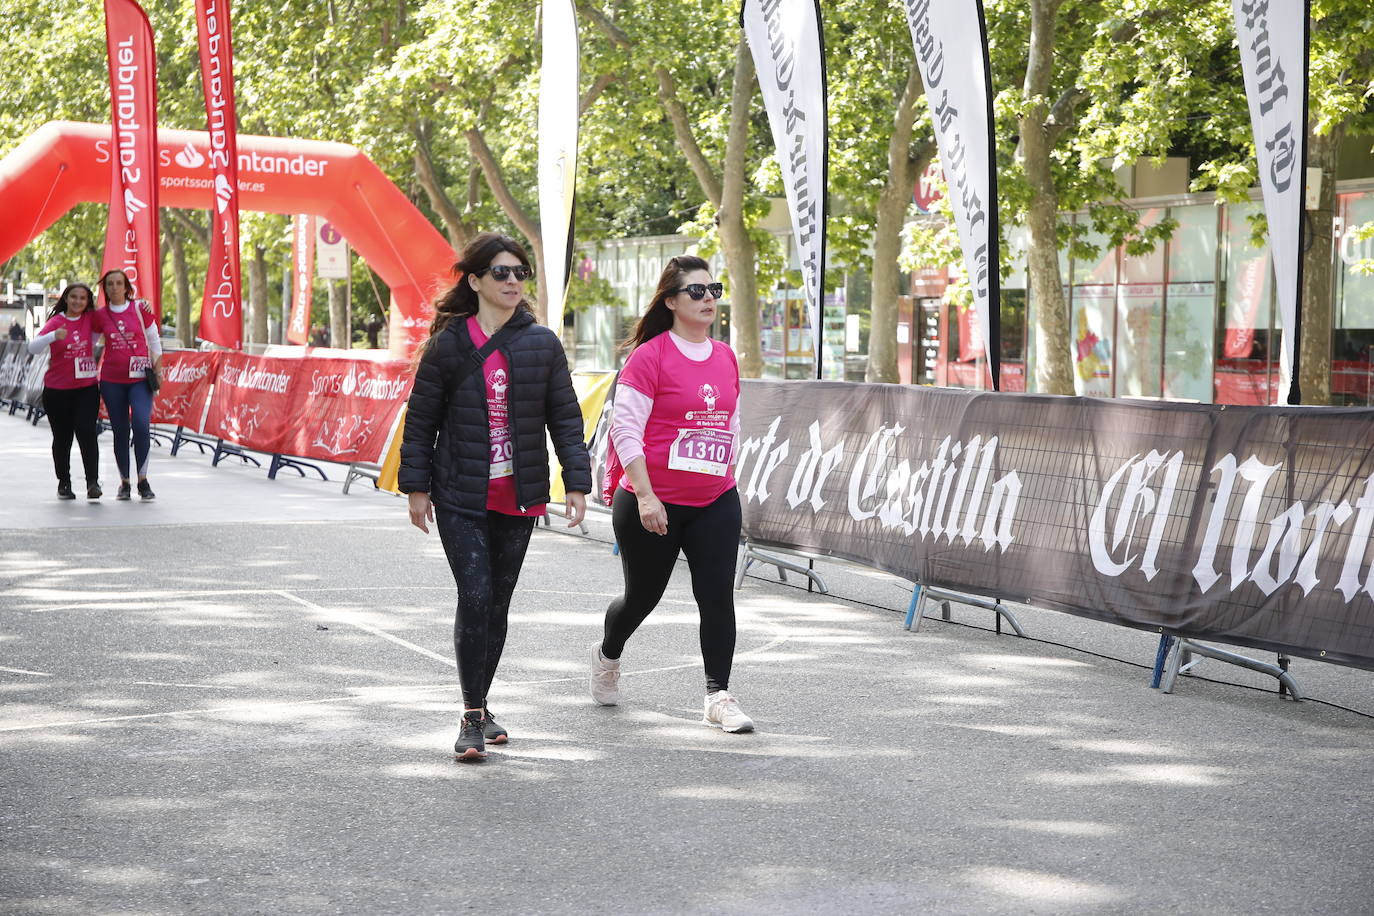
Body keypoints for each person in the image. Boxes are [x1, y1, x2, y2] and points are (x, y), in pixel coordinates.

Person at [399, 233, 591, 761]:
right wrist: (416, 486)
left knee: (499, 604)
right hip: (460, 489)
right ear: (476, 280)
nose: (512, 282)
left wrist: (576, 481)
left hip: (519, 491)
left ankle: (481, 706)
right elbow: (421, 421)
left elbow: (566, 419)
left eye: (520, 273)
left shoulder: (542, 343)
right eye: (502, 273)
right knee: (476, 595)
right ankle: (469, 714)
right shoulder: (448, 344)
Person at [589, 255, 753, 733]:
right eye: (697, 291)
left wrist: (726, 472)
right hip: (652, 500)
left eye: (714, 290)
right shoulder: (650, 356)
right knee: (642, 596)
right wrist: (645, 496)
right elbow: (626, 430)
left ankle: (717, 695)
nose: (708, 299)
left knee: (717, 594)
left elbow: (732, 421)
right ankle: (607, 654)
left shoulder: (725, 356)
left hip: (714, 498)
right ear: (671, 301)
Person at [92, 269, 162, 501]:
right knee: (120, 431)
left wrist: (158, 371)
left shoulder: (141, 309)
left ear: (126, 287)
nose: (114, 287)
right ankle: (125, 483)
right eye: (109, 284)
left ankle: (143, 480)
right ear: (105, 289)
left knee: (141, 425)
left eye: (118, 283)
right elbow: (88, 343)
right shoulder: (100, 315)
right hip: (112, 381)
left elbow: (154, 341)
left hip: (140, 380)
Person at [27, 284, 102, 499]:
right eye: (74, 297)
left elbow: (111, 321)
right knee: (62, 438)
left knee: (87, 431)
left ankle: (93, 483)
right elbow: (33, 348)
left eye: (83, 298)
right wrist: (53, 336)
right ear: (66, 299)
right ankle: (64, 483)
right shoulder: (57, 321)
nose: (78, 301)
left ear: (88, 302)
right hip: (57, 390)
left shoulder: (91, 319)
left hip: (86, 388)